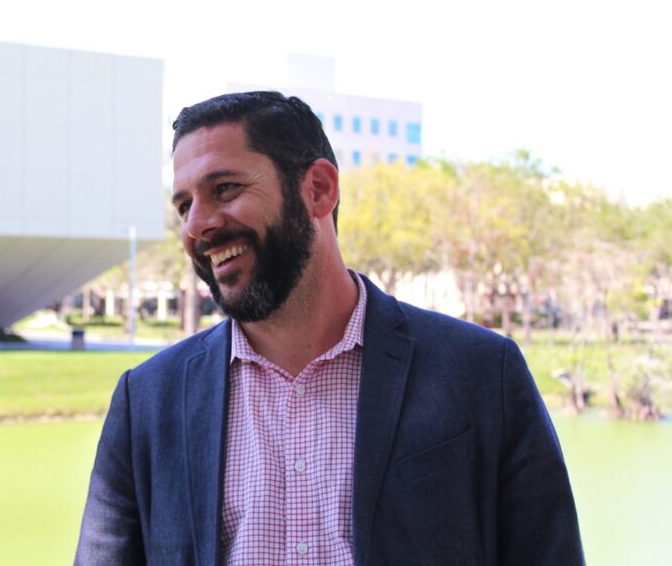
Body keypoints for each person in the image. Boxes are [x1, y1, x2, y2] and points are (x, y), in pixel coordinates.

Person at [76, 91, 584, 565]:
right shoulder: (145, 401)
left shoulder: (481, 374)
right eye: (185, 205)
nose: (196, 227)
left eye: (224, 189)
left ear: (318, 189)